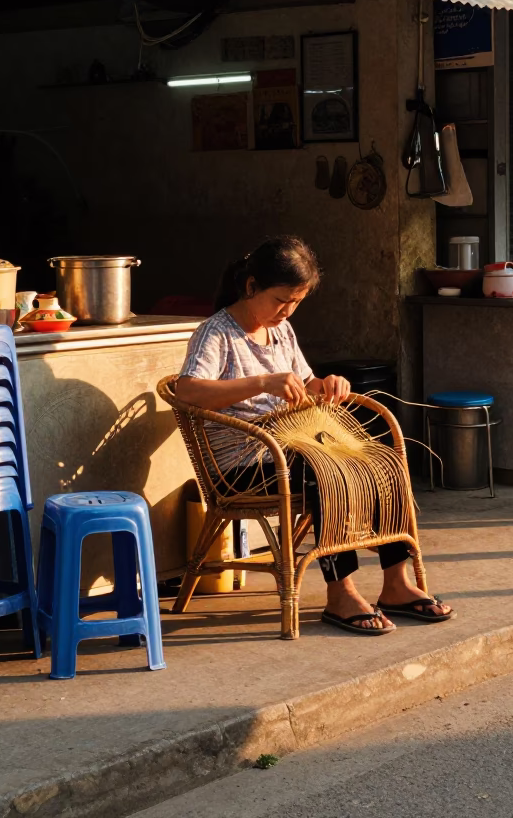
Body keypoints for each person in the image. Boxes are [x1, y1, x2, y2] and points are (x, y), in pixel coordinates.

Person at [175, 235, 453, 635]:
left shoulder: (282, 331)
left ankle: (396, 584)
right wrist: (261, 383)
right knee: (325, 469)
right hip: (242, 464)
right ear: (251, 286)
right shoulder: (216, 333)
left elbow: (304, 382)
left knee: (380, 461)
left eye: (296, 302)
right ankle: (340, 592)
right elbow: (187, 390)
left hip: (288, 452)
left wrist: (327, 385)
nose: (287, 310)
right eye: (280, 299)